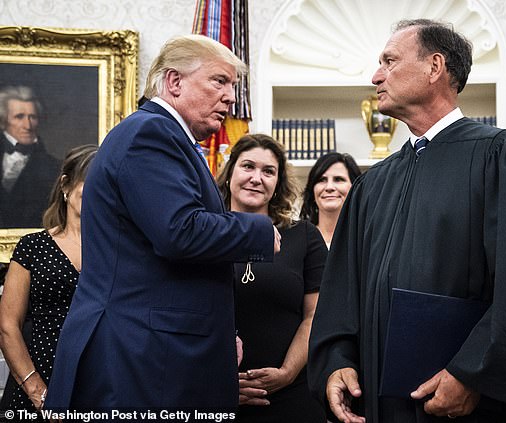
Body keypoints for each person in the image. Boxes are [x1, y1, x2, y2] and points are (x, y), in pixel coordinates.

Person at [307, 19, 506, 423]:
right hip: (378, 404)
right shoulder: (372, 184)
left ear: (434, 67)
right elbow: (343, 291)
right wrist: (337, 360)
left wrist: (473, 373)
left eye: (389, 61)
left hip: (467, 406)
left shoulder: (501, 155)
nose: (376, 76)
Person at [45, 35, 281, 413]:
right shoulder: (150, 134)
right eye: (219, 81)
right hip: (141, 359)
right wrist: (258, 231)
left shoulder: (165, 136)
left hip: (152, 356)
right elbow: (179, 231)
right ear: (174, 82)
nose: (231, 97)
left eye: (232, 86)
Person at [217, 134, 327, 422]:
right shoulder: (203, 233)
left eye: (268, 171)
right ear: (230, 173)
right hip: (216, 392)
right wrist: (219, 380)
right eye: (248, 167)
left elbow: (315, 314)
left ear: (278, 183)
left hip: (292, 392)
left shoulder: (303, 235)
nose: (257, 178)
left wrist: (288, 372)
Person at [0, 144, 97, 419]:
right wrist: (39, 394)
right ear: (66, 185)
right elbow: (8, 326)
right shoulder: (32, 247)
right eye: (90, 183)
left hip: (99, 383)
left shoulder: (117, 249)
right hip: (38, 380)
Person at [0, 86, 60, 229]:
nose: (27, 125)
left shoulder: (55, 168)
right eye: (19, 116)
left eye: (32, 117)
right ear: (3, 121)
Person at [300, 152, 361, 248]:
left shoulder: (364, 241)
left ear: (355, 188)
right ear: (312, 190)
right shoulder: (298, 239)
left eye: (338, 179)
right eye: (322, 180)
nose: (329, 187)